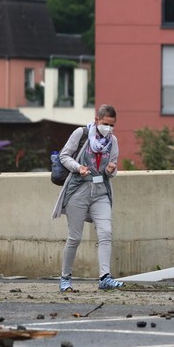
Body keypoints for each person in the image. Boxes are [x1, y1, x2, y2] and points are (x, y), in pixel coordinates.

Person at [52, 104, 123, 292]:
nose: (109, 128)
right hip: (79, 190)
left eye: (112, 125)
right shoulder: (81, 133)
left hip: (101, 191)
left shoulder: (112, 141)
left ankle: (105, 277)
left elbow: (113, 168)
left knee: (106, 232)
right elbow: (64, 156)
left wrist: (111, 170)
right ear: (97, 120)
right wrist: (78, 168)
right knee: (74, 237)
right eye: (106, 123)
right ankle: (65, 277)